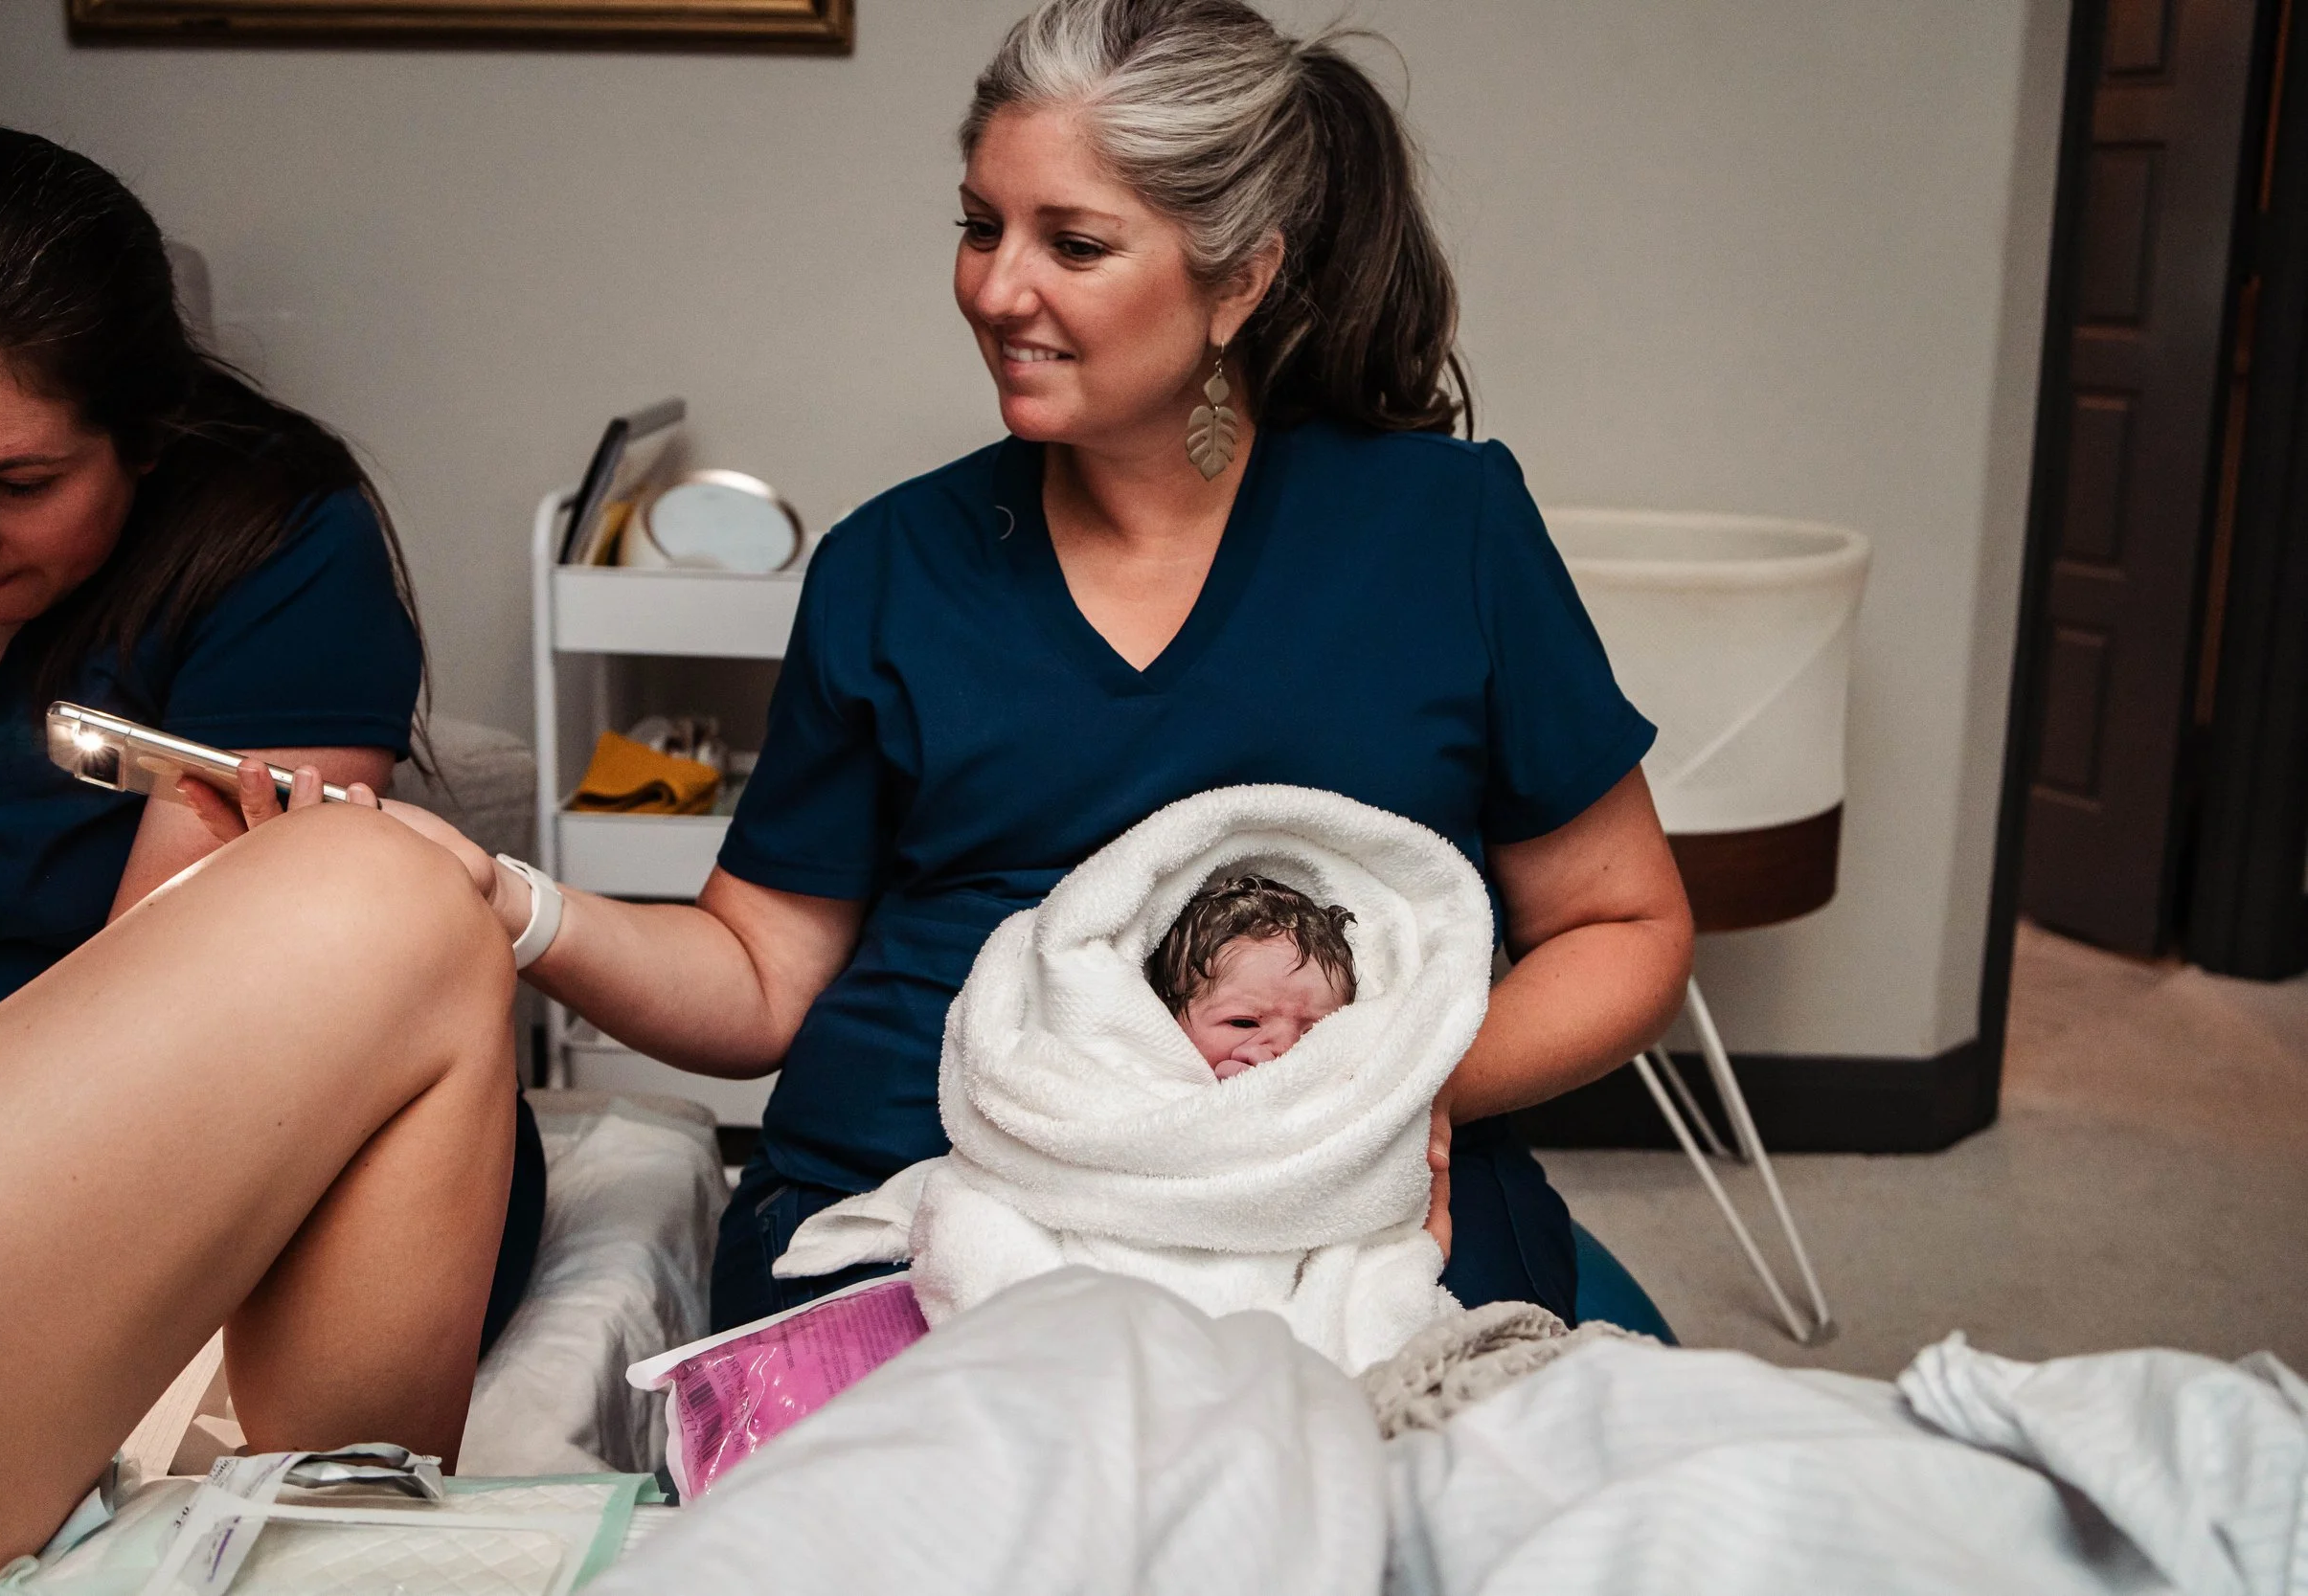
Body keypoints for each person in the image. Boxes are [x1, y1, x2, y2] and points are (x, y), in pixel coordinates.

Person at [437, 0, 1693, 1334]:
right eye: (981, 225)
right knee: (977, 1497)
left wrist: (1381, 1091)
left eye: (1074, 243)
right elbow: (758, 975)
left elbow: (1626, 923)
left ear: (1241, 280)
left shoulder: (1445, 530)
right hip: (931, 1175)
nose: (995, 287)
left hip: (1340, 1179)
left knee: (1364, 1492)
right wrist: (513, 905)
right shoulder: (893, 565)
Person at [0, 128, 538, 1587]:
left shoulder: (268, 537)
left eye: (16, 484)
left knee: (385, 902)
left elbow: (198, 1009)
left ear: (144, 432)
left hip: (160, 1115)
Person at [1144, 874, 1357, 1079]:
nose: (1286, 1048)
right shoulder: (1140, 1079)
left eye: (1313, 1032)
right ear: (1167, 1019)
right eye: (1243, 1023)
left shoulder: (1345, 1082)